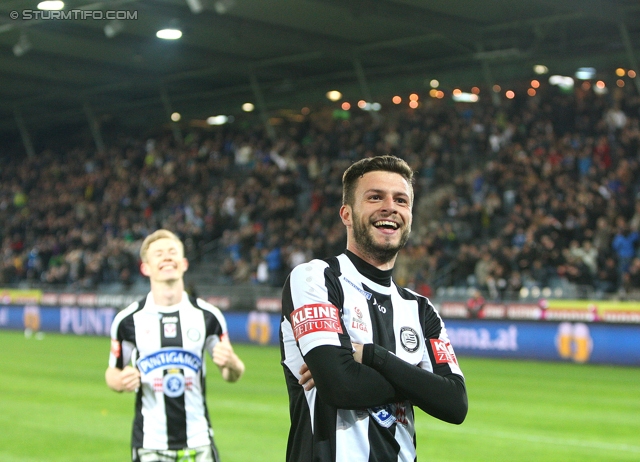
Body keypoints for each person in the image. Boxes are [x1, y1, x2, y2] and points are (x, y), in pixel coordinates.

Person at [279, 156, 468, 462]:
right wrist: (419, 385)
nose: (390, 207)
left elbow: (454, 403)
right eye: (375, 197)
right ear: (347, 214)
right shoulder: (317, 278)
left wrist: (371, 356)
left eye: (401, 200)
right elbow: (339, 386)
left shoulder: (421, 310)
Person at [106, 229, 245, 462]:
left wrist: (232, 363)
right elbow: (112, 371)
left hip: (199, 443)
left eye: (172, 252)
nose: (167, 257)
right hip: (149, 446)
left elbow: (232, 374)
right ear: (145, 267)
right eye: (158, 254)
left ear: (184, 264)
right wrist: (119, 381)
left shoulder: (209, 316)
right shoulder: (128, 320)